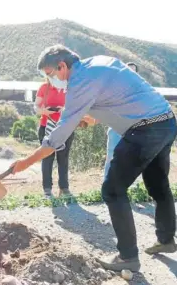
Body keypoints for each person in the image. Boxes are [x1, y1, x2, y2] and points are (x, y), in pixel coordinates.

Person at [10, 44, 177, 272]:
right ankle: (166, 240)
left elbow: (59, 134)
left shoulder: (79, 82)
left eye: (51, 74)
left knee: (112, 190)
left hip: (144, 131)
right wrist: (92, 118)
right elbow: (123, 95)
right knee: (158, 185)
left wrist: (26, 162)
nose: (52, 81)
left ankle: (128, 257)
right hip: (166, 121)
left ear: (62, 66)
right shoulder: (99, 62)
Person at [34, 78, 74, 198]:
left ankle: (64, 188)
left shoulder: (69, 88)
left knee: (63, 158)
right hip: (46, 127)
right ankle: (47, 190)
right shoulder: (44, 87)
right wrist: (43, 111)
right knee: (47, 158)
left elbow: (75, 106)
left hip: (65, 127)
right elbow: (35, 107)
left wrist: (65, 110)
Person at [104, 62, 139, 178]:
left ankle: (132, 189)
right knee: (111, 158)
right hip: (115, 130)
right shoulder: (113, 88)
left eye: (133, 71)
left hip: (133, 130)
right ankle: (106, 187)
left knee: (132, 160)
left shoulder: (140, 90)